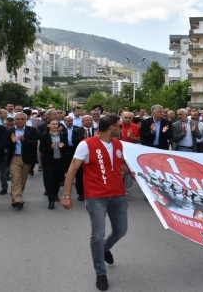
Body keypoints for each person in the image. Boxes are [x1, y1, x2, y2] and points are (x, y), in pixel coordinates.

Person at [61, 115, 135, 291]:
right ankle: (100, 273)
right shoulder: (86, 144)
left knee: (121, 230)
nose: (121, 129)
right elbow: (72, 169)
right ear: (110, 127)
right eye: (118, 126)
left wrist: (133, 171)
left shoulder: (118, 144)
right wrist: (66, 195)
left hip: (117, 194)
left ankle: (104, 249)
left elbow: (118, 166)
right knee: (97, 235)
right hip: (96, 197)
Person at [6, 112, 38, 210]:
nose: (20, 121)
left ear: (26, 120)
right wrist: (12, 142)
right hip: (14, 158)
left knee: (22, 180)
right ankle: (18, 200)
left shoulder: (31, 130)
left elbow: (34, 143)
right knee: (16, 178)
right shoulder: (9, 131)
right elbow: (5, 145)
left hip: (26, 158)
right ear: (15, 120)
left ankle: (16, 196)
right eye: (18, 119)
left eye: (22, 119)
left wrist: (24, 140)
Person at [39, 119, 66, 209]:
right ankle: (51, 200)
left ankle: (55, 194)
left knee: (57, 179)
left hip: (59, 160)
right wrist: (50, 147)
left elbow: (66, 147)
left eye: (56, 124)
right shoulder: (44, 135)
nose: (55, 126)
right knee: (49, 180)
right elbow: (41, 149)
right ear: (48, 125)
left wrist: (63, 146)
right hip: (49, 161)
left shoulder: (61, 134)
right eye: (53, 124)